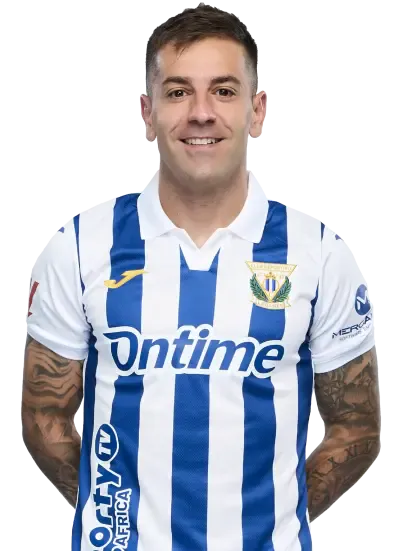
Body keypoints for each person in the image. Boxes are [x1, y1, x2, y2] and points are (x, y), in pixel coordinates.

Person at [22, 5, 381, 551]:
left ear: (257, 111)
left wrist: (270, 521)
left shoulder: (321, 253)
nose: (201, 113)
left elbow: (356, 428)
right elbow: (44, 415)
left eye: (224, 91)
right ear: (148, 112)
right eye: (178, 92)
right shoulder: (78, 246)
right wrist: (115, 516)